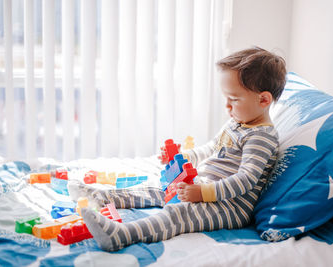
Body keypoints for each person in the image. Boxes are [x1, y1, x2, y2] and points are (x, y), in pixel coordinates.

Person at [76, 46, 287, 251]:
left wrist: (204, 193)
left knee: (179, 214)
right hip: (206, 187)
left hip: (230, 206)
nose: (227, 106)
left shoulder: (261, 137)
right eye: (226, 98)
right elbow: (212, 148)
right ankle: (102, 197)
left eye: (233, 99)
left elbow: (245, 180)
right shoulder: (238, 122)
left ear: (263, 99)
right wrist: (185, 157)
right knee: (161, 189)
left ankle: (120, 235)